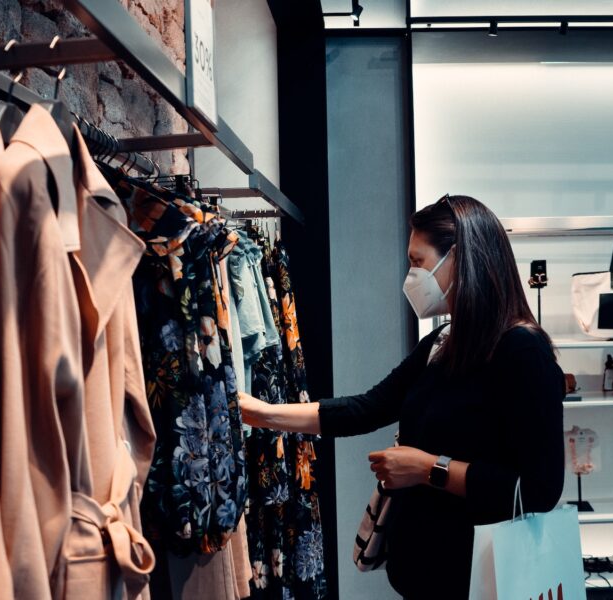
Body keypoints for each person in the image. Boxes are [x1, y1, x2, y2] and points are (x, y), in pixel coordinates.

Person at [239, 195, 565, 599]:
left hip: (483, 579)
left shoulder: (523, 351)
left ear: (458, 258)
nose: (411, 275)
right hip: (425, 573)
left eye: (418, 261)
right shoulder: (444, 342)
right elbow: (367, 408)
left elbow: (539, 490)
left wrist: (429, 468)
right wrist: (263, 413)